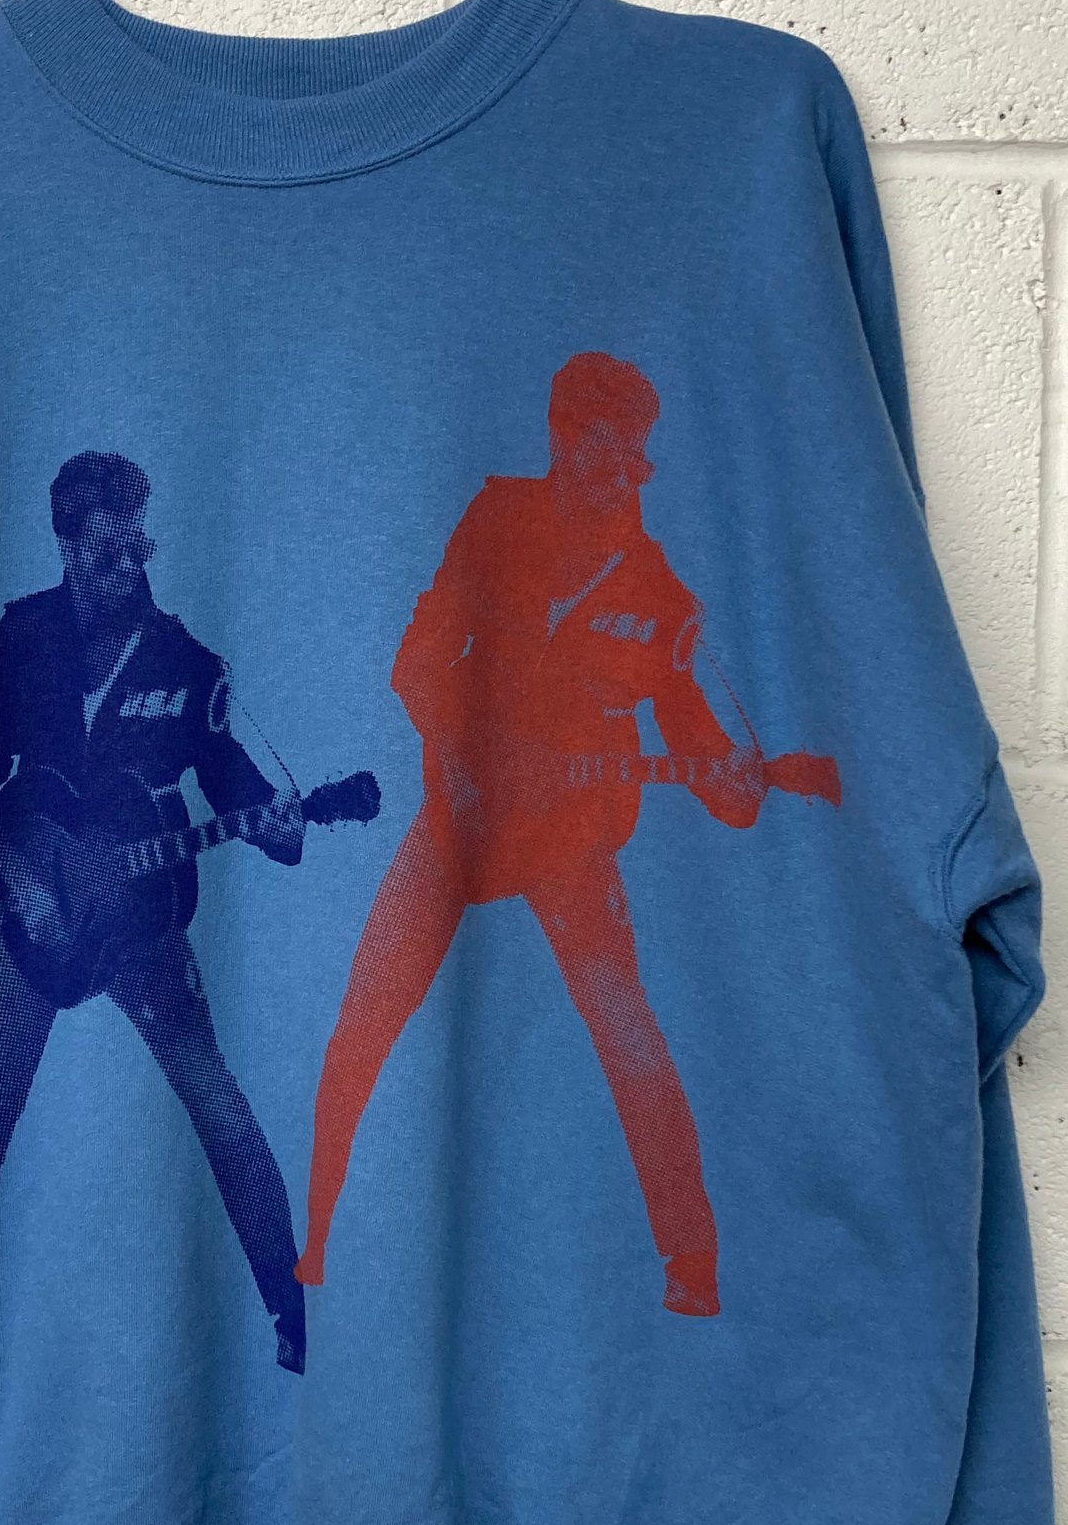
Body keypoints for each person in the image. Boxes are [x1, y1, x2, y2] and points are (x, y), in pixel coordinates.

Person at [296, 350, 778, 1319]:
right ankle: (309, 1243)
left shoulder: (659, 595)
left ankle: (692, 1262)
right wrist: (466, 766)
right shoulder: (496, 517)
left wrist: (737, 779)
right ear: (560, 439)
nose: (623, 476)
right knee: (363, 1014)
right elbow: (419, 658)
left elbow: (705, 757)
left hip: (569, 840)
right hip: (459, 821)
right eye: (603, 451)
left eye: (635, 457)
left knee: (627, 1031)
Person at [0, 451, 308, 1425]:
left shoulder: (185, 661)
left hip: (143, 927)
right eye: (105, 550)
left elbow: (229, 778)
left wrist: (278, 824)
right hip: (35, 923)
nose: (126, 566)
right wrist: (25, 884)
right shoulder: (21, 636)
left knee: (220, 1110)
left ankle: (294, 1317)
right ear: (66, 545)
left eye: (136, 545)